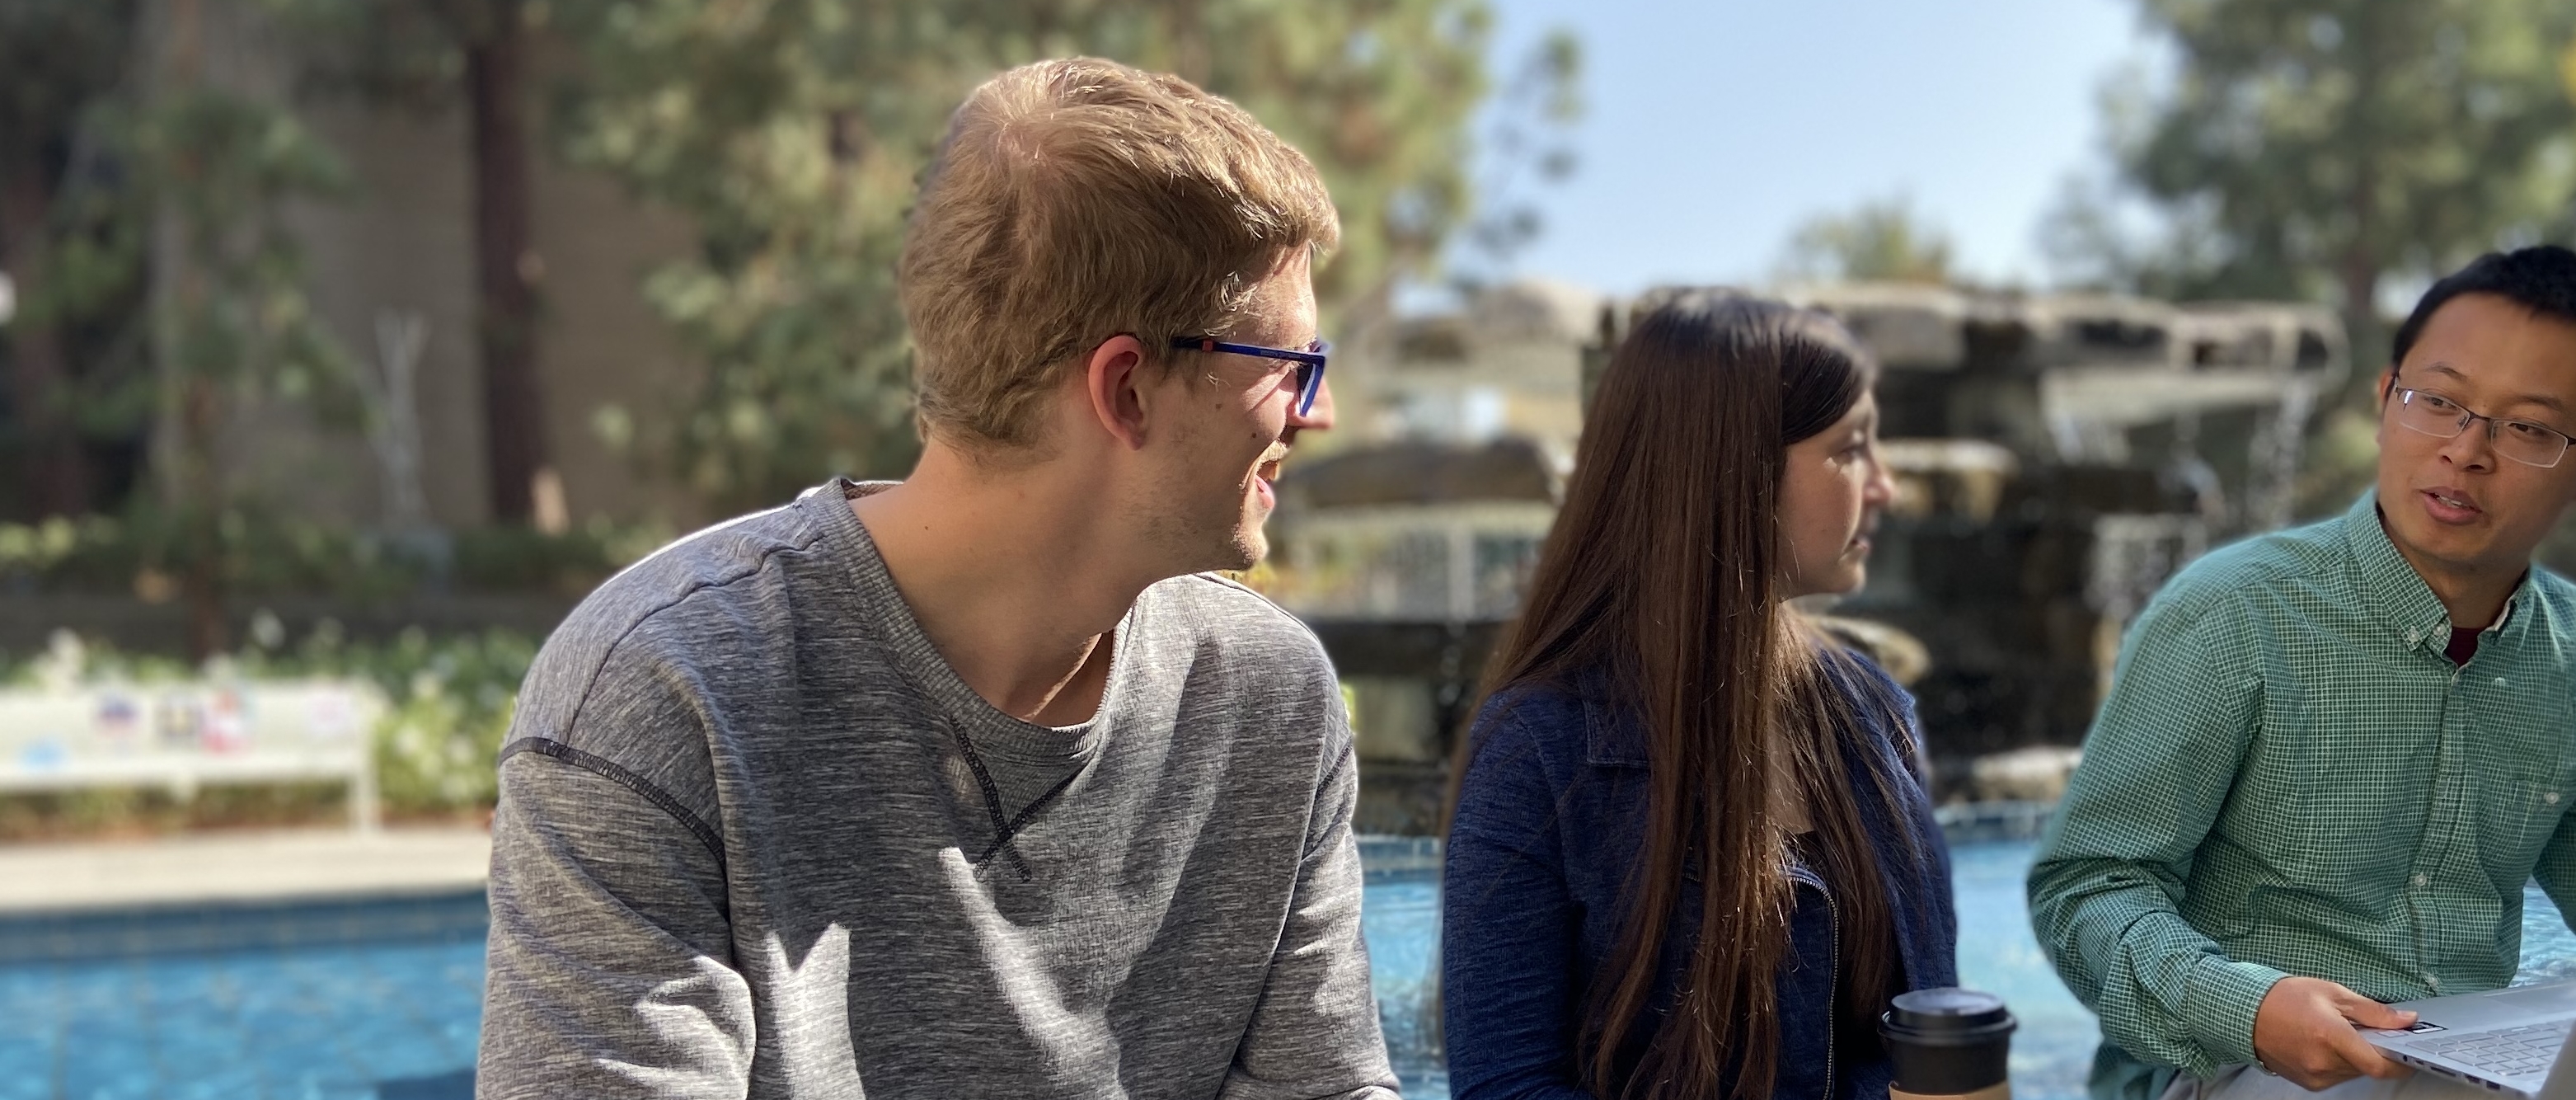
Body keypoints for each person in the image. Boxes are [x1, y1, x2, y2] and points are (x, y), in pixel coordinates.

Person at [476, 58, 1396, 1099]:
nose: (1313, 416)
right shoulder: (663, 696)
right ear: (1127, 389)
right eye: (1288, 367)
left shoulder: (1267, 696)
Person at [2028, 246, 2576, 1100]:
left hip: (2467, 1065)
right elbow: (2086, 884)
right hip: (2229, 1067)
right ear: (2385, 403)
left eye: (2527, 427)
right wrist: (2248, 1004)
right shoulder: (2229, 614)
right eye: (2438, 401)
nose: (2464, 450)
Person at [1440, 289, 1960, 1100]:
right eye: (1850, 447)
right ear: (1736, 468)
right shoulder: (1538, 750)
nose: (1884, 485)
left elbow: (1928, 1035)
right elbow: (1503, 1085)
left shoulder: (1878, 716)